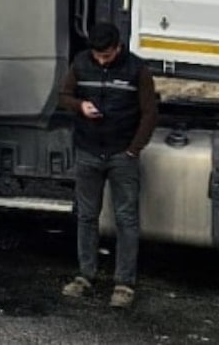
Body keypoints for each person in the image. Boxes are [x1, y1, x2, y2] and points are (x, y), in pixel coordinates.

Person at [58, 21, 158, 309]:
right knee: (87, 216)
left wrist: (132, 150)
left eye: (107, 56)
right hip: (88, 151)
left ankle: (124, 283)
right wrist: (80, 107)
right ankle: (85, 275)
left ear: (118, 47)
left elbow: (150, 113)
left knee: (126, 219)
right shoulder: (80, 63)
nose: (101, 60)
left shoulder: (138, 70)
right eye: (98, 56)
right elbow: (64, 96)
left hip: (121, 154)